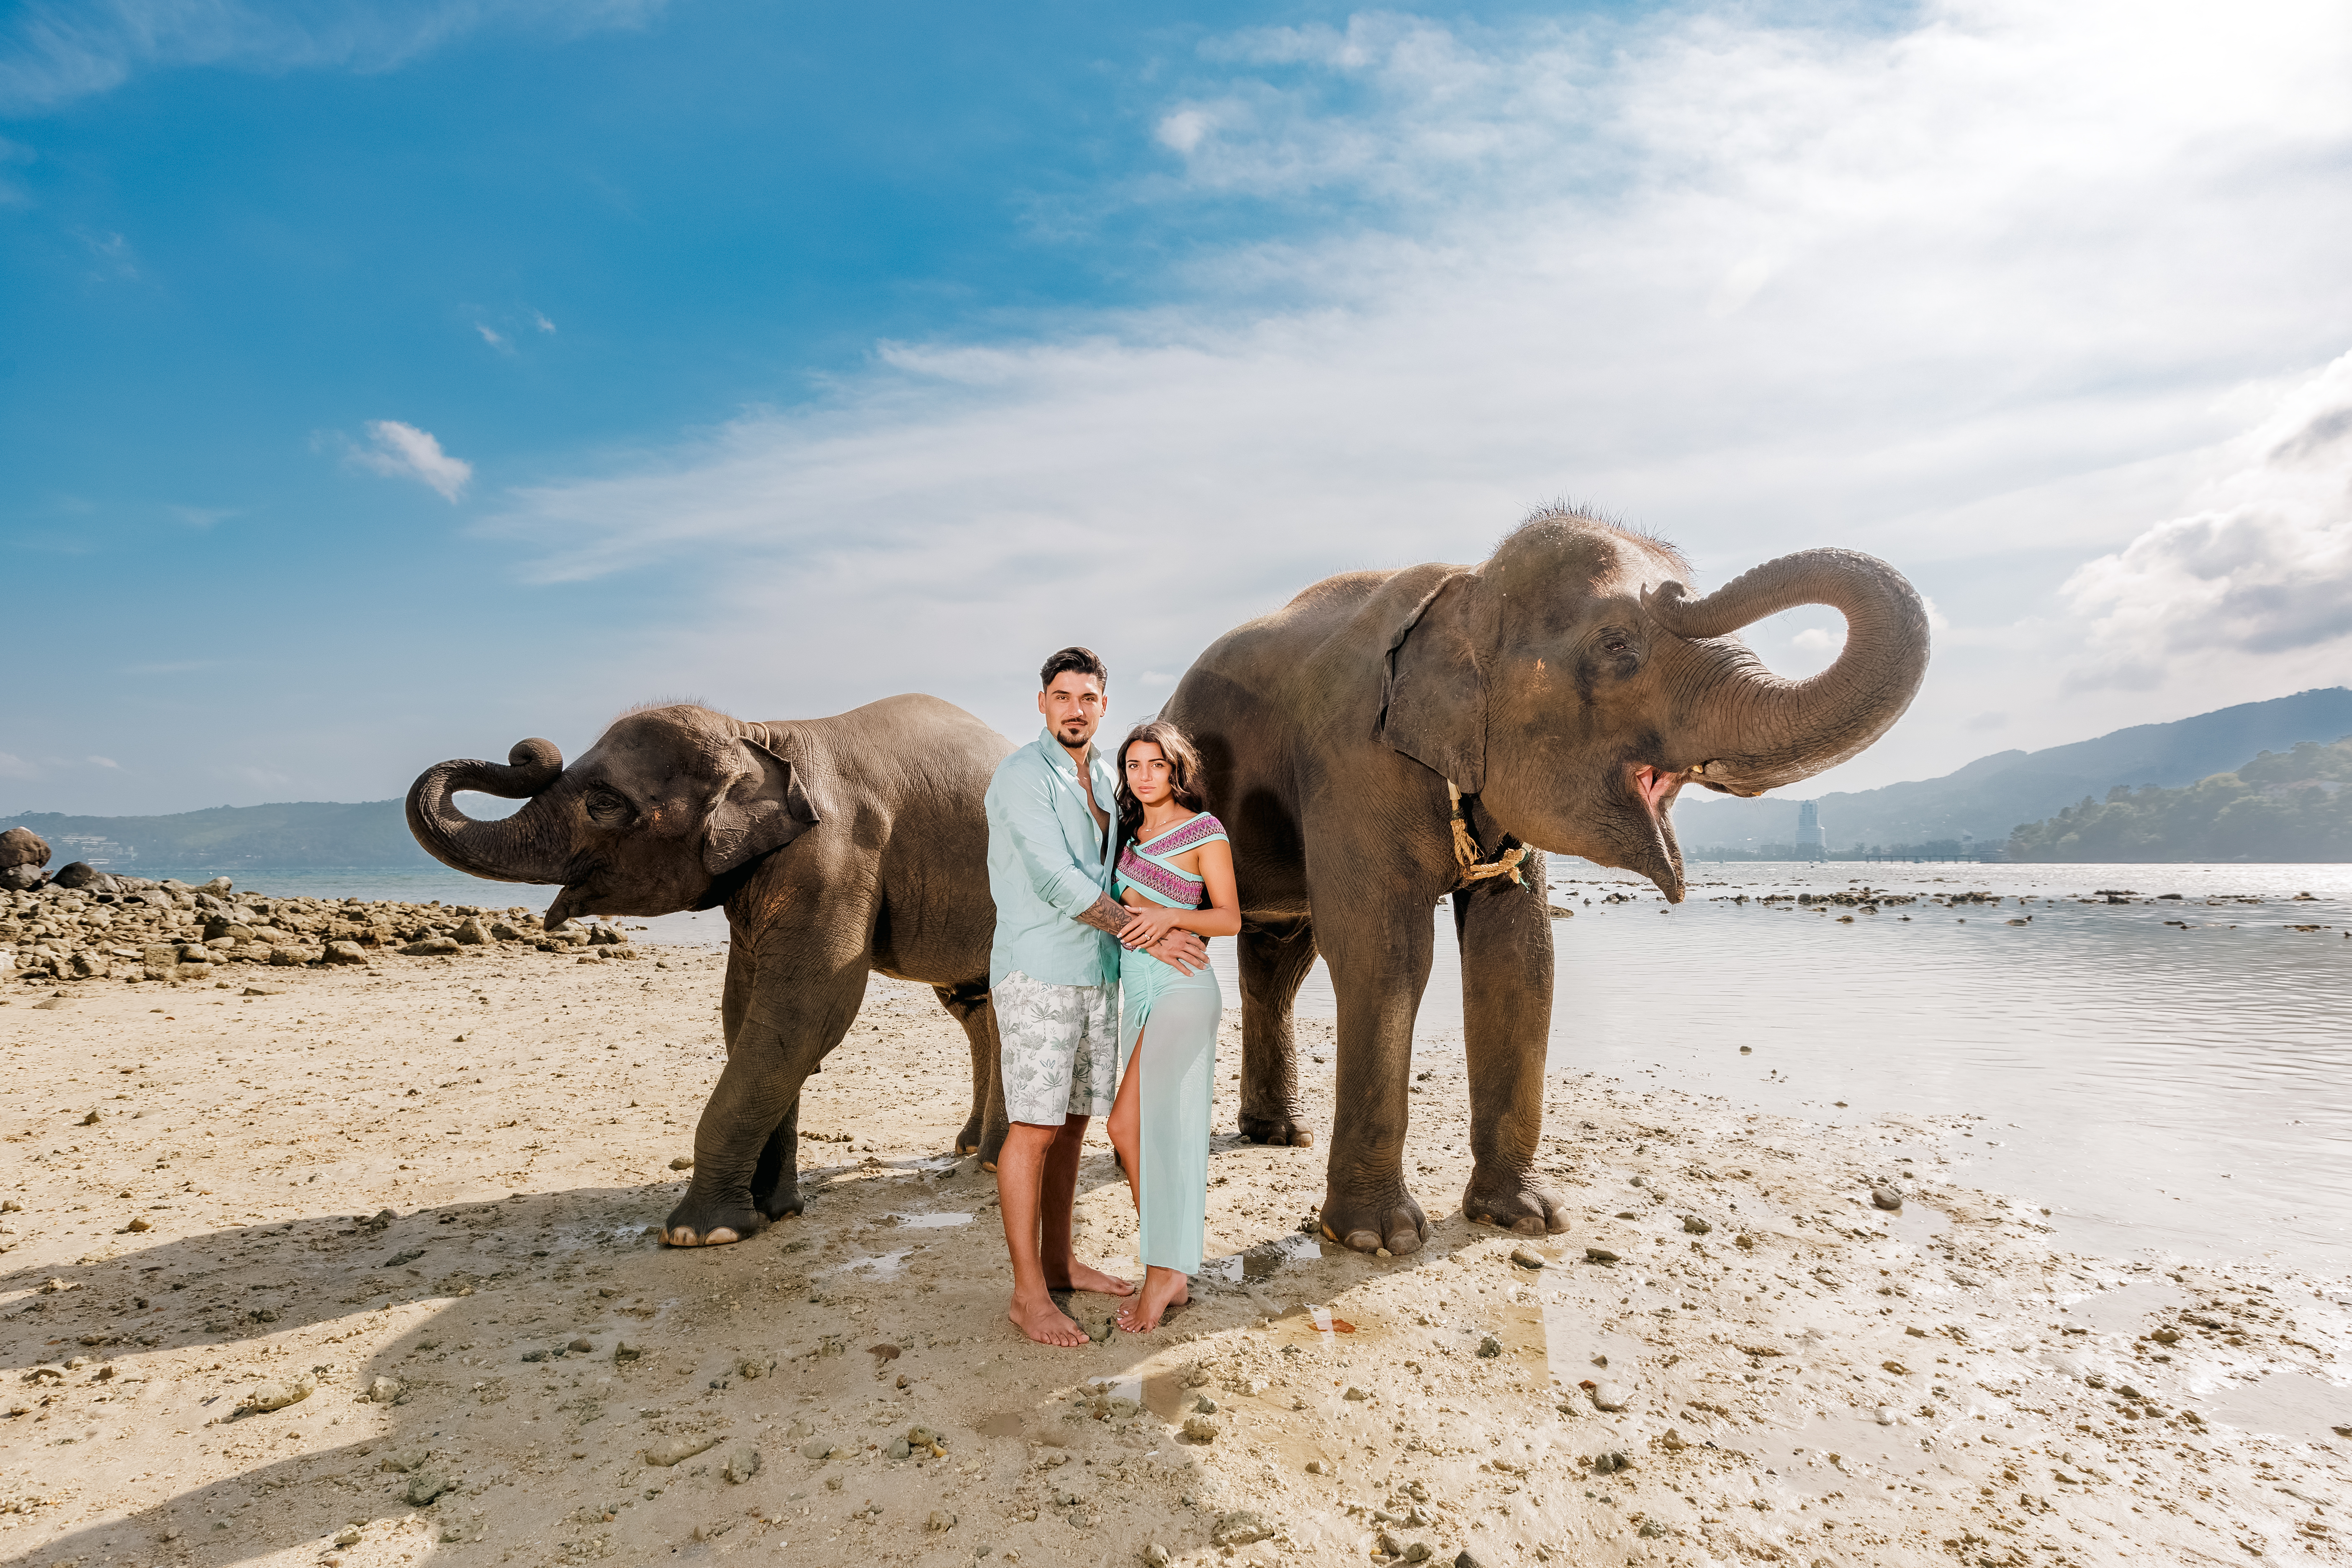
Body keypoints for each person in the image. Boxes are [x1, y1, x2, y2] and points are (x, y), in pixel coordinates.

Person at [986, 648, 1208, 1348]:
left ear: (1103, 705)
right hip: (1039, 972)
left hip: (1101, 973)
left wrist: (1171, 921)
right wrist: (1153, 932)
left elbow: (1126, 868)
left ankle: (1059, 1260)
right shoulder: (1022, 776)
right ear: (1042, 703)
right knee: (1033, 1128)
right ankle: (1028, 1295)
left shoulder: (1114, 772)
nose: (1075, 708)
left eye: (1087, 697)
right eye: (1062, 696)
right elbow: (1059, 881)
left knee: (1078, 1122)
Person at [1103, 721, 1240, 1333]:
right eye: (1133, 765)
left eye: (1156, 764)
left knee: (1130, 1125)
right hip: (1141, 989)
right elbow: (1116, 918)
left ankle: (1164, 1271)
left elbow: (1230, 918)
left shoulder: (1204, 829)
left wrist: (1164, 914)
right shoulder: (1127, 834)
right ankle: (1171, 1266)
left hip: (1185, 989)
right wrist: (1149, 933)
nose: (1144, 775)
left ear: (1176, 767)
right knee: (1140, 1131)